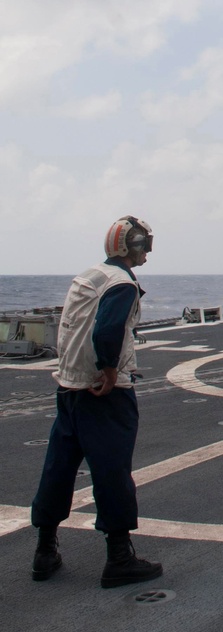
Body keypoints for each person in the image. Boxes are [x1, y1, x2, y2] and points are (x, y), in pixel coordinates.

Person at [30, 217, 163, 588]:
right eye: (145, 245)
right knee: (112, 471)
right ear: (132, 245)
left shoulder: (89, 275)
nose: (147, 252)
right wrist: (107, 371)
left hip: (69, 389)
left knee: (58, 468)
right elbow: (107, 330)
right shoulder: (122, 283)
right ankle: (119, 558)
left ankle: (44, 551)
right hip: (103, 394)